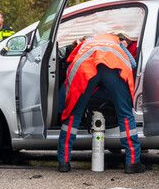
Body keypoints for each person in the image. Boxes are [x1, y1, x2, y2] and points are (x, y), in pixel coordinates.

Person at [57, 33, 144, 174]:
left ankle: (63, 162)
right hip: (114, 67)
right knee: (125, 114)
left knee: (74, 113)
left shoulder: (84, 42)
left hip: (87, 67)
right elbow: (133, 64)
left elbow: (70, 60)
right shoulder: (116, 41)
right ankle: (132, 162)